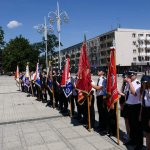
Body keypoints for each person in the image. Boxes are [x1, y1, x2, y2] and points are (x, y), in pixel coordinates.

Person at [124, 71, 143, 150]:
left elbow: (134, 93)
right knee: (131, 125)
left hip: (136, 107)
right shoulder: (129, 83)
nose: (129, 77)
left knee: (137, 127)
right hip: (129, 106)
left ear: (135, 75)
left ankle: (139, 144)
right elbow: (125, 93)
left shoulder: (137, 83)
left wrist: (130, 83)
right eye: (128, 75)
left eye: (131, 76)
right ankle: (133, 140)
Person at [91, 67, 108, 134]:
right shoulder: (100, 79)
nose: (98, 71)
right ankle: (101, 126)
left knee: (103, 113)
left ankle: (104, 128)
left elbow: (99, 87)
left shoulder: (103, 79)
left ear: (103, 72)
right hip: (99, 97)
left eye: (99, 70)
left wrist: (91, 85)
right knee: (100, 112)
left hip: (102, 97)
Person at [140, 75, 150, 150]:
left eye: (145, 82)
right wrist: (140, 115)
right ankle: (147, 147)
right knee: (146, 132)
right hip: (144, 112)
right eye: (142, 82)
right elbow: (142, 105)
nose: (143, 84)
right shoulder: (144, 91)